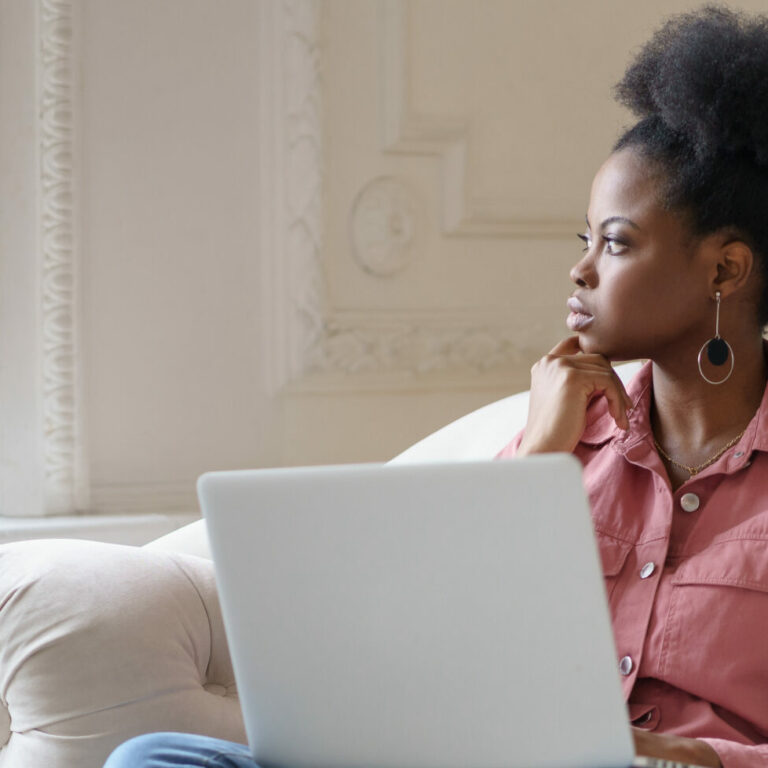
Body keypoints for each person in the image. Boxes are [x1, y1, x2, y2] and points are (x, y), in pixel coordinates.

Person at [104, 6, 768, 768]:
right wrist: (541, 457)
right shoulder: (564, 435)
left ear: (724, 269)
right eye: (583, 240)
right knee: (153, 757)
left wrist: (694, 758)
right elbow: (450, 643)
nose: (581, 271)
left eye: (616, 243)